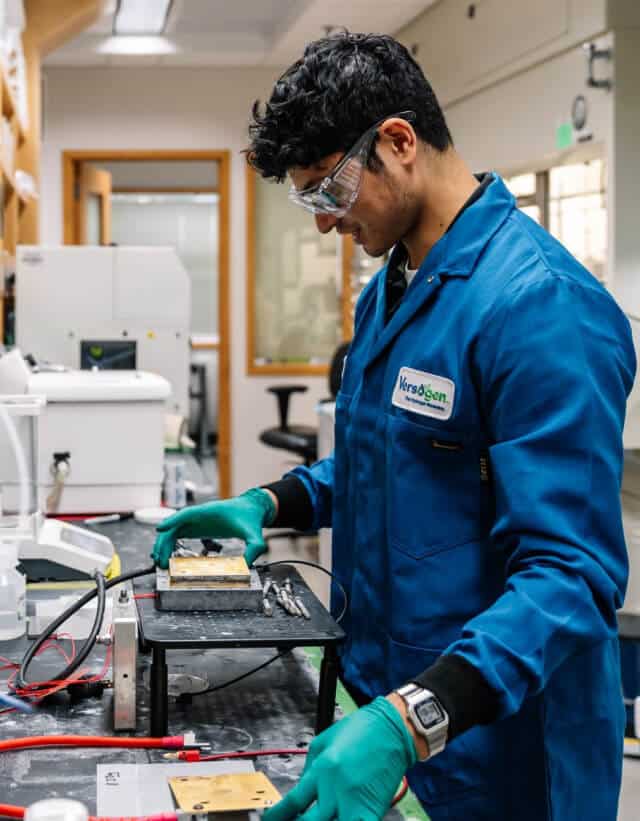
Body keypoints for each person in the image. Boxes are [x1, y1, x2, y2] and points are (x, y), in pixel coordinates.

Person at [152, 32, 636, 821]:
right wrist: (273, 503)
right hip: (385, 722)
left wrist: (416, 717)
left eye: (327, 191)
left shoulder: (540, 306)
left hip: (501, 755)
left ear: (399, 142)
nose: (322, 222)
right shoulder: (392, 290)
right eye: (309, 200)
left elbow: (570, 578)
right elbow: (386, 462)